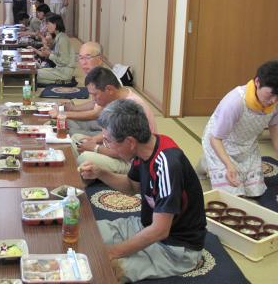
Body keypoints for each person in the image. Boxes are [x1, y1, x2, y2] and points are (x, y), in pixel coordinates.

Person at [80, 100, 206, 283]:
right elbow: (132, 186)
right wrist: (101, 173)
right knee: (85, 233)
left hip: (175, 248)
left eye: (108, 141)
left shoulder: (167, 164)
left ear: (130, 141)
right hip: (144, 226)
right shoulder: (144, 149)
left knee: (101, 270)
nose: (105, 146)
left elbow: (160, 231)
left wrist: (112, 252)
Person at [200, 60, 278, 197]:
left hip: (247, 145)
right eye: (271, 94)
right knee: (234, 194)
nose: (274, 101)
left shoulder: (275, 103)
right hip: (220, 143)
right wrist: (229, 165)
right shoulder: (235, 101)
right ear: (258, 82)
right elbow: (215, 138)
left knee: (255, 191)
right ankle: (208, 161)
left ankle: (209, 163)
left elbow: (274, 126)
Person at [71, 67, 156, 174]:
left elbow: (126, 151)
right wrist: (94, 139)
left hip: (134, 162)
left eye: (95, 94)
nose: (93, 99)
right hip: (117, 149)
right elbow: (114, 134)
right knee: (76, 138)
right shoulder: (117, 99)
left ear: (109, 89)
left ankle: (85, 179)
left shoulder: (129, 107)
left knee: (85, 158)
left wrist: (95, 148)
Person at [49, 42, 104, 136]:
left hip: (106, 129)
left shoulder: (104, 80)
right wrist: (72, 108)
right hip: (97, 122)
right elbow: (95, 103)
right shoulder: (94, 76)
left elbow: (95, 113)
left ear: (100, 59)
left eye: (88, 57)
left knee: (65, 129)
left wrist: (63, 114)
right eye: (81, 58)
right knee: (61, 123)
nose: (83, 62)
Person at [35, 14, 75, 85]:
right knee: (36, 72)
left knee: (35, 74)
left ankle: (65, 81)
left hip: (63, 73)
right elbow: (59, 56)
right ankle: (62, 81)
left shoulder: (63, 39)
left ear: (55, 25)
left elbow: (64, 61)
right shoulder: (60, 37)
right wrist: (49, 51)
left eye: (48, 24)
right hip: (59, 70)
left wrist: (49, 54)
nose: (47, 27)